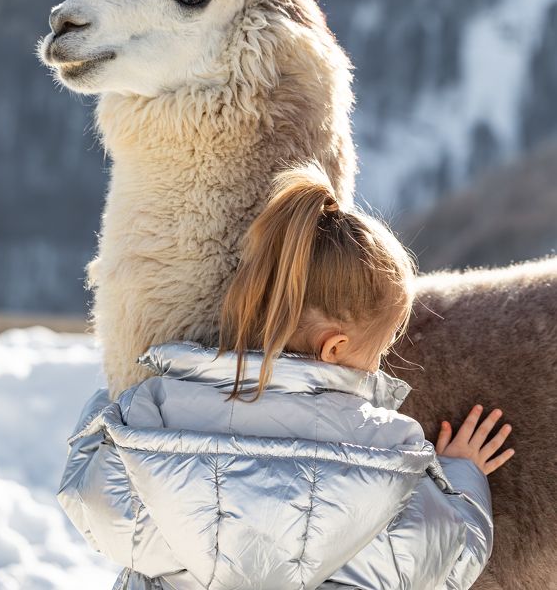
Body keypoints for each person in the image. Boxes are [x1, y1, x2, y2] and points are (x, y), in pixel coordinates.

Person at [58, 161, 513, 590]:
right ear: (334, 348)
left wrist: (106, 415)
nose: (381, 363)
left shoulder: (156, 410)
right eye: (382, 347)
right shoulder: (386, 449)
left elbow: (93, 498)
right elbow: (447, 553)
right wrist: (463, 474)